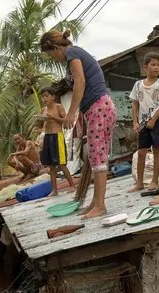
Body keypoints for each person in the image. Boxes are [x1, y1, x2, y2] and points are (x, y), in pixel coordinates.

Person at [40, 30, 117, 219]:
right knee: (94, 155)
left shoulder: (73, 53)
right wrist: (81, 116)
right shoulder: (74, 55)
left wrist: (72, 113)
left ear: (56, 48)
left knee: (97, 157)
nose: (53, 58)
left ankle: (100, 205)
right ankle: (95, 202)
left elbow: (80, 83)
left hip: (100, 107)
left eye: (51, 54)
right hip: (96, 108)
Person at [128, 53, 159, 193]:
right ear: (145, 67)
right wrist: (135, 122)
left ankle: (154, 181)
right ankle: (139, 183)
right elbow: (135, 104)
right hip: (142, 123)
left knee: (156, 150)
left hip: (157, 122)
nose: (156, 68)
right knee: (141, 153)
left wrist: (153, 119)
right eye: (153, 65)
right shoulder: (138, 85)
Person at [37, 87, 75, 196]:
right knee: (51, 166)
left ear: (53, 97)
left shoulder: (58, 107)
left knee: (61, 164)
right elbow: (40, 125)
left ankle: (72, 185)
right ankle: (54, 190)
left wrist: (52, 117)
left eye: (46, 95)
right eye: (43, 96)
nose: (44, 98)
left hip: (57, 136)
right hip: (47, 137)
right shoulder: (43, 110)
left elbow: (65, 120)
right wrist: (38, 124)